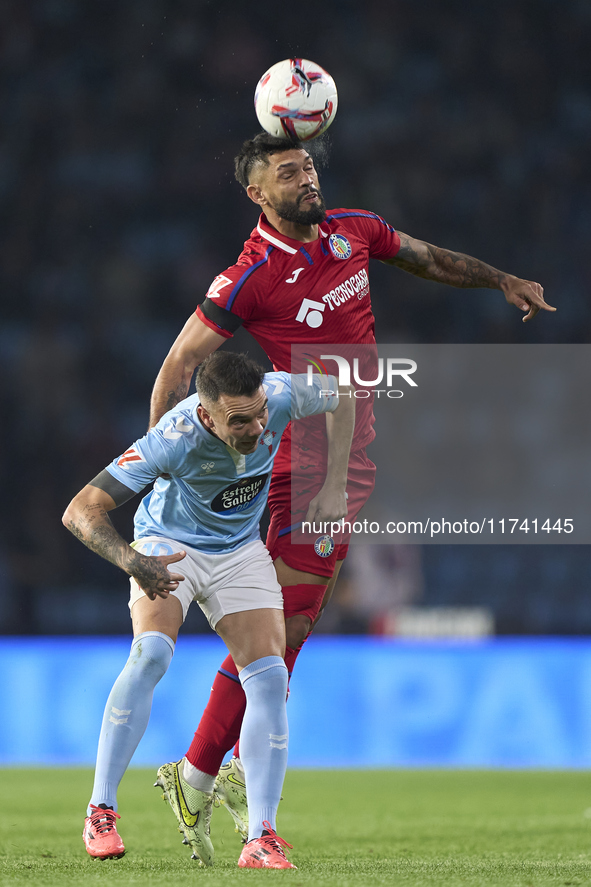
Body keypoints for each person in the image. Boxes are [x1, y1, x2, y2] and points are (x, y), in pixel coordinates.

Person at [148, 132, 556, 841]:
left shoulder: (352, 230)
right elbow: (179, 360)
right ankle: (219, 780)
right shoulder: (248, 276)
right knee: (278, 628)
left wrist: (499, 278)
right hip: (301, 459)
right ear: (256, 194)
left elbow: (427, 258)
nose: (306, 177)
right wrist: (161, 461)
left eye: (307, 165)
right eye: (287, 172)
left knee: (291, 623)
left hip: (350, 454)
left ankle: (196, 773)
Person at [62, 351, 354, 869]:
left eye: (260, 414)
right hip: (166, 546)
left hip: (238, 550)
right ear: (205, 413)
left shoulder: (281, 393)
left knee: (268, 678)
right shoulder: (171, 438)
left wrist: (334, 485)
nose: (256, 427)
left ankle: (260, 837)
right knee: (151, 655)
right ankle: (100, 809)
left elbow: (344, 392)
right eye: (239, 420)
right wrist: (132, 560)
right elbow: (80, 510)